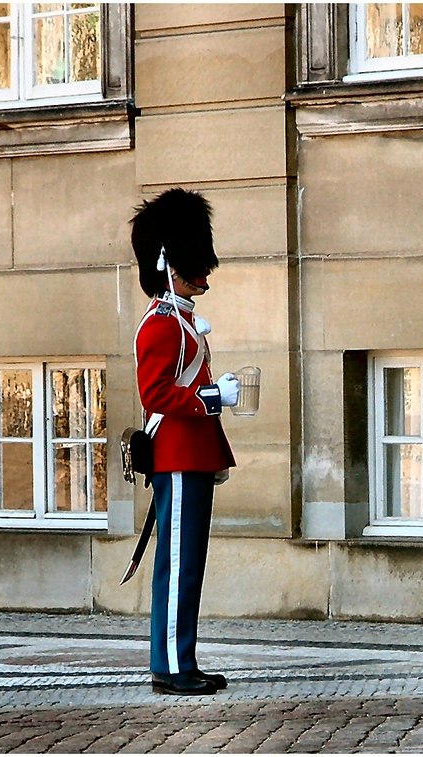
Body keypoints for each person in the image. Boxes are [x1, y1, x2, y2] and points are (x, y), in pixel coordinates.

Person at [129, 188, 239, 696]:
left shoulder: (183, 321)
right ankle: (171, 664)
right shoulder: (160, 325)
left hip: (192, 453)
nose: (206, 272)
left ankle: (182, 657)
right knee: (177, 565)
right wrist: (208, 399)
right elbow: (154, 394)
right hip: (176, 454)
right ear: (172, 262)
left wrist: (210, 396)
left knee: (189, 564)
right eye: (196, 261)